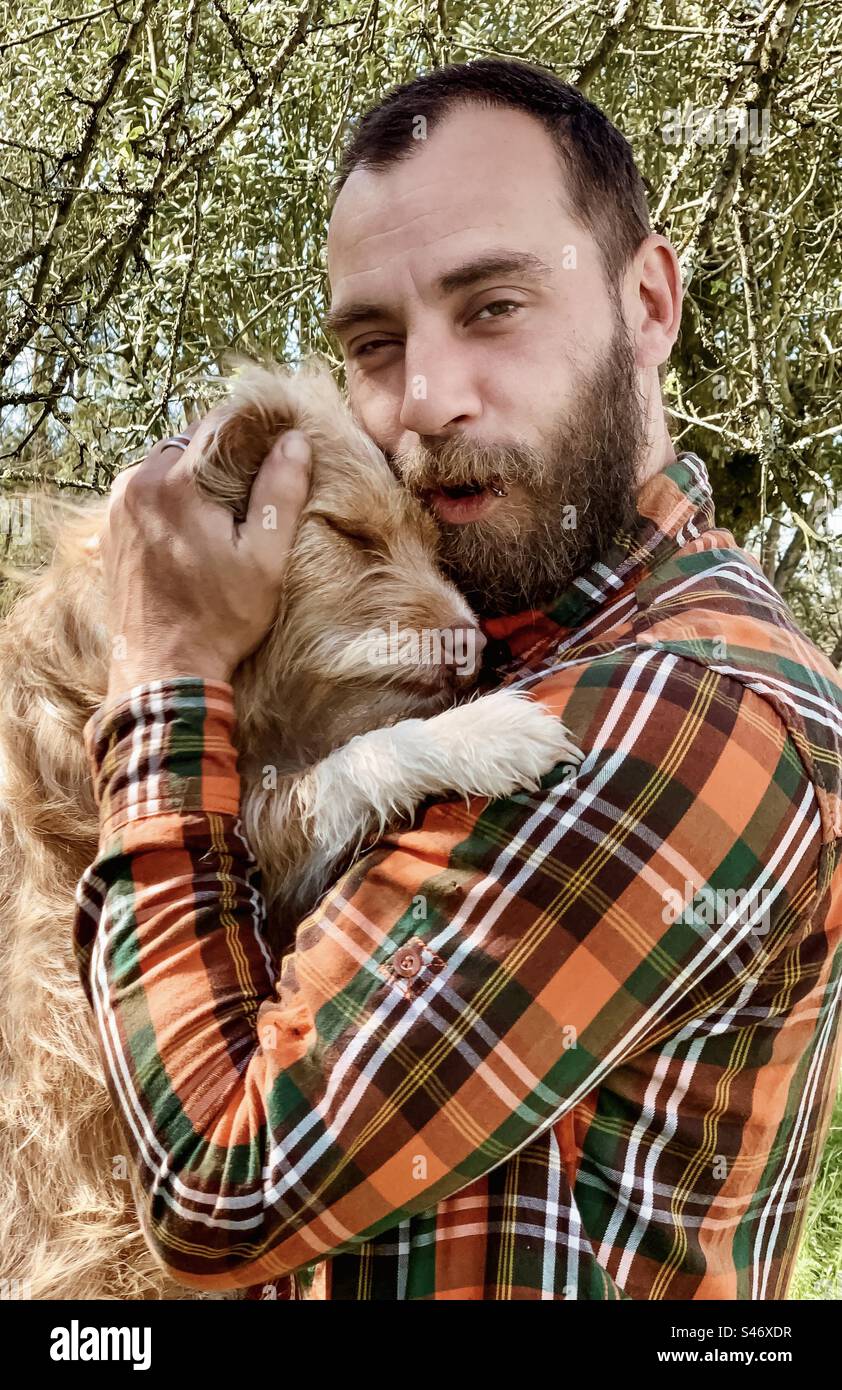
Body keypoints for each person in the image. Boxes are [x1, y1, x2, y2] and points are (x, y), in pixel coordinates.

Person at [74, 58, 842, 1301]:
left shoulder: (670, 709)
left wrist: (163, 675)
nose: (424, 402)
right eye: (374, 343)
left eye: (492, 306)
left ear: (649, 303)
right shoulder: (499, 651)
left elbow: (220, 1191)